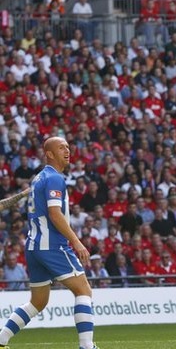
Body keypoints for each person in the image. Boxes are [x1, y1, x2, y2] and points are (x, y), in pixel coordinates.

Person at [0, 137, 98, 349]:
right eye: (61, 147)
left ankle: (1, 341)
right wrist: (77, 242)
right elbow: (55, 214)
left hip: (34, 248)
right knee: (83, 291)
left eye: (68, 147)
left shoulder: (38, 179)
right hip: (53, 246)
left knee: (38, 302)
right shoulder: (54, 178)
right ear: (50, 154)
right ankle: (87, 347)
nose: (67, 150)